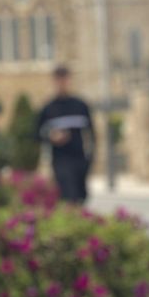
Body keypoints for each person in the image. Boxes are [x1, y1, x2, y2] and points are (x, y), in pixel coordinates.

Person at [36, 66, 95, 204]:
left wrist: (90, 158)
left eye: (65, 80)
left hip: (80, 159)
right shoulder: (48, 108)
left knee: (81, 196)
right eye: (59, 80)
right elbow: (37, 134)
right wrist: (51, 136)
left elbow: (92, 133)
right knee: (68, 195)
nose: (62, 83)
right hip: (60, 160)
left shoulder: (81, 106)